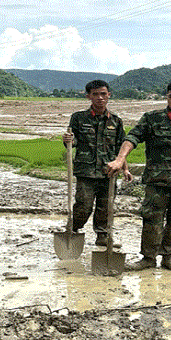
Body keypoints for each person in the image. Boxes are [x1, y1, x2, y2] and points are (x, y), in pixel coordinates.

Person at [105, 80, 171, 272]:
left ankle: (169, 258)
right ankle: (147, 258)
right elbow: (132, 138)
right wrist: (121, 159)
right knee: (152, 220)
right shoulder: (152, 118)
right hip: (157, 181)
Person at [62, 80, 132, 248]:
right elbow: (74, 142)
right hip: (86, 171)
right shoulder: (78, 118)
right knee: (83, 205)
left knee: (105, 206)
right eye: (95, 94)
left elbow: (120, 148)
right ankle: (73, 230)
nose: (100, 98)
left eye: (103, 94)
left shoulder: (116, 121)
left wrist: (125, 169)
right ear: (88, 96)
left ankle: (103, 236)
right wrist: (68, 140)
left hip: (109, 171)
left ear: (109, 95)